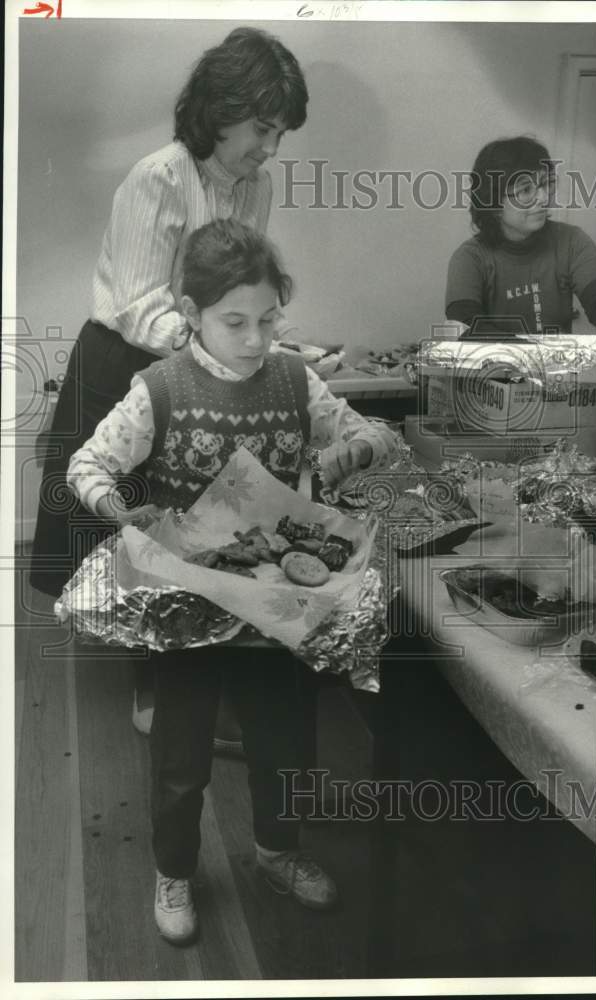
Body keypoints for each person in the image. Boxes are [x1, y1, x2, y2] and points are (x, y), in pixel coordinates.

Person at [66, 218, 402, 945]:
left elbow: (372, 432)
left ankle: (278, 851)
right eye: (235, 322)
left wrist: (357, 447)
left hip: (275, 597)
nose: (256, 338)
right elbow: (85, 467)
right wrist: (127, 513)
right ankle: (175, 871)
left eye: (270, 319)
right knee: (181, 756)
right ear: (191, 316)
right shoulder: (158, 388)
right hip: (187, 600)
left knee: (284, 739)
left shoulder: (293, 378)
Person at [29, 25, 309, 733]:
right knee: (137, 527)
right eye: (262, 128)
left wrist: (263, 342)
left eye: (280, 133)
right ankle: (151, 687)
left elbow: (241, 282)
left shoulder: (257, 186)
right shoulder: (159, 176)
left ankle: (198, 665)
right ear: (221, 107)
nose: (269, 149)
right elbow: (140, 305)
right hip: (126, 360)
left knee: (203, 525)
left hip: (201, 362)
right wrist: (220, 352)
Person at [445, 136, 596, 335]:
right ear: (493, 203)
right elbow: (465, 326)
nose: (544, 198)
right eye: (526, 190)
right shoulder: (469, 258)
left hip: (558, 366)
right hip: (495, 365)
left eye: (546, 184)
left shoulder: (572, 242)